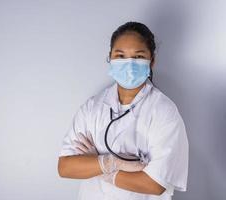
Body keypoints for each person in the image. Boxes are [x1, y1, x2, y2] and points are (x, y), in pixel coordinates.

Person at [57, 21, 189, 200]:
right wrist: (112, 162)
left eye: (138, 56)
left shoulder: (164, 111)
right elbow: (65, 167)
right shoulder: (92, 107)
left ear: (152, 61)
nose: (129, 64)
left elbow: (156, 184)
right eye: (120, 56)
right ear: (110, 58)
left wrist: (100, 168)